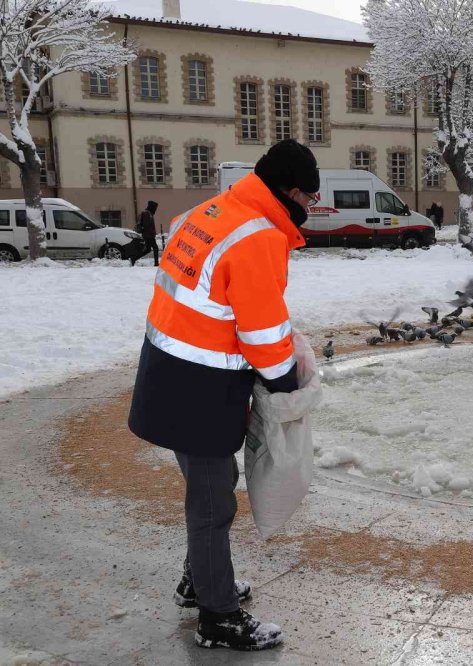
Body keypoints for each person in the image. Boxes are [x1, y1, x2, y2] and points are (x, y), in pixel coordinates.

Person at [128, 139, 320, 651]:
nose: (311, 210)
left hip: (168, 368)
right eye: (310, 199)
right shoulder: (256, 237)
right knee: (213, 502)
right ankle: (218, 617)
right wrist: (286, 387)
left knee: (207, 488)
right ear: (292, 191)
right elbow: (262, 334)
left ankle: (200, 580)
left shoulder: (214, 210)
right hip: (199, 385)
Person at [130, 201, 160, 266]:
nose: (155, 209)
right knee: (155, 248)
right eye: (155, 207)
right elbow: (146, 225)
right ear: (152, 207)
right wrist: (151, 234)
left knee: (148, 249)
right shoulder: (147, 214)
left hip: (148, 235)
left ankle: (133, 258)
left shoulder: (149, 213)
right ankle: (156, 263)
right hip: (148, 235)